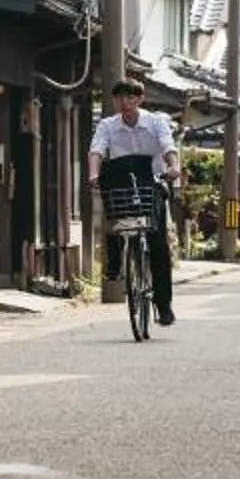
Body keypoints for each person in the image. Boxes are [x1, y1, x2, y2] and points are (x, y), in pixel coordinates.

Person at [87, 77, 177, 326]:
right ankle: (114, 265)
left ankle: (163, 304)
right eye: (119, 98)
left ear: (139, 99)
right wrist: (93, 173)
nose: (124, 102)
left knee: (158, 243)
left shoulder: (155, 121)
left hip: (152, 181)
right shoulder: (107, 125)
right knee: (112, 217)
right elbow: (97, 149)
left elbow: (168, 145)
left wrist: (173, 166)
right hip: (121, 181)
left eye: (130, 97)